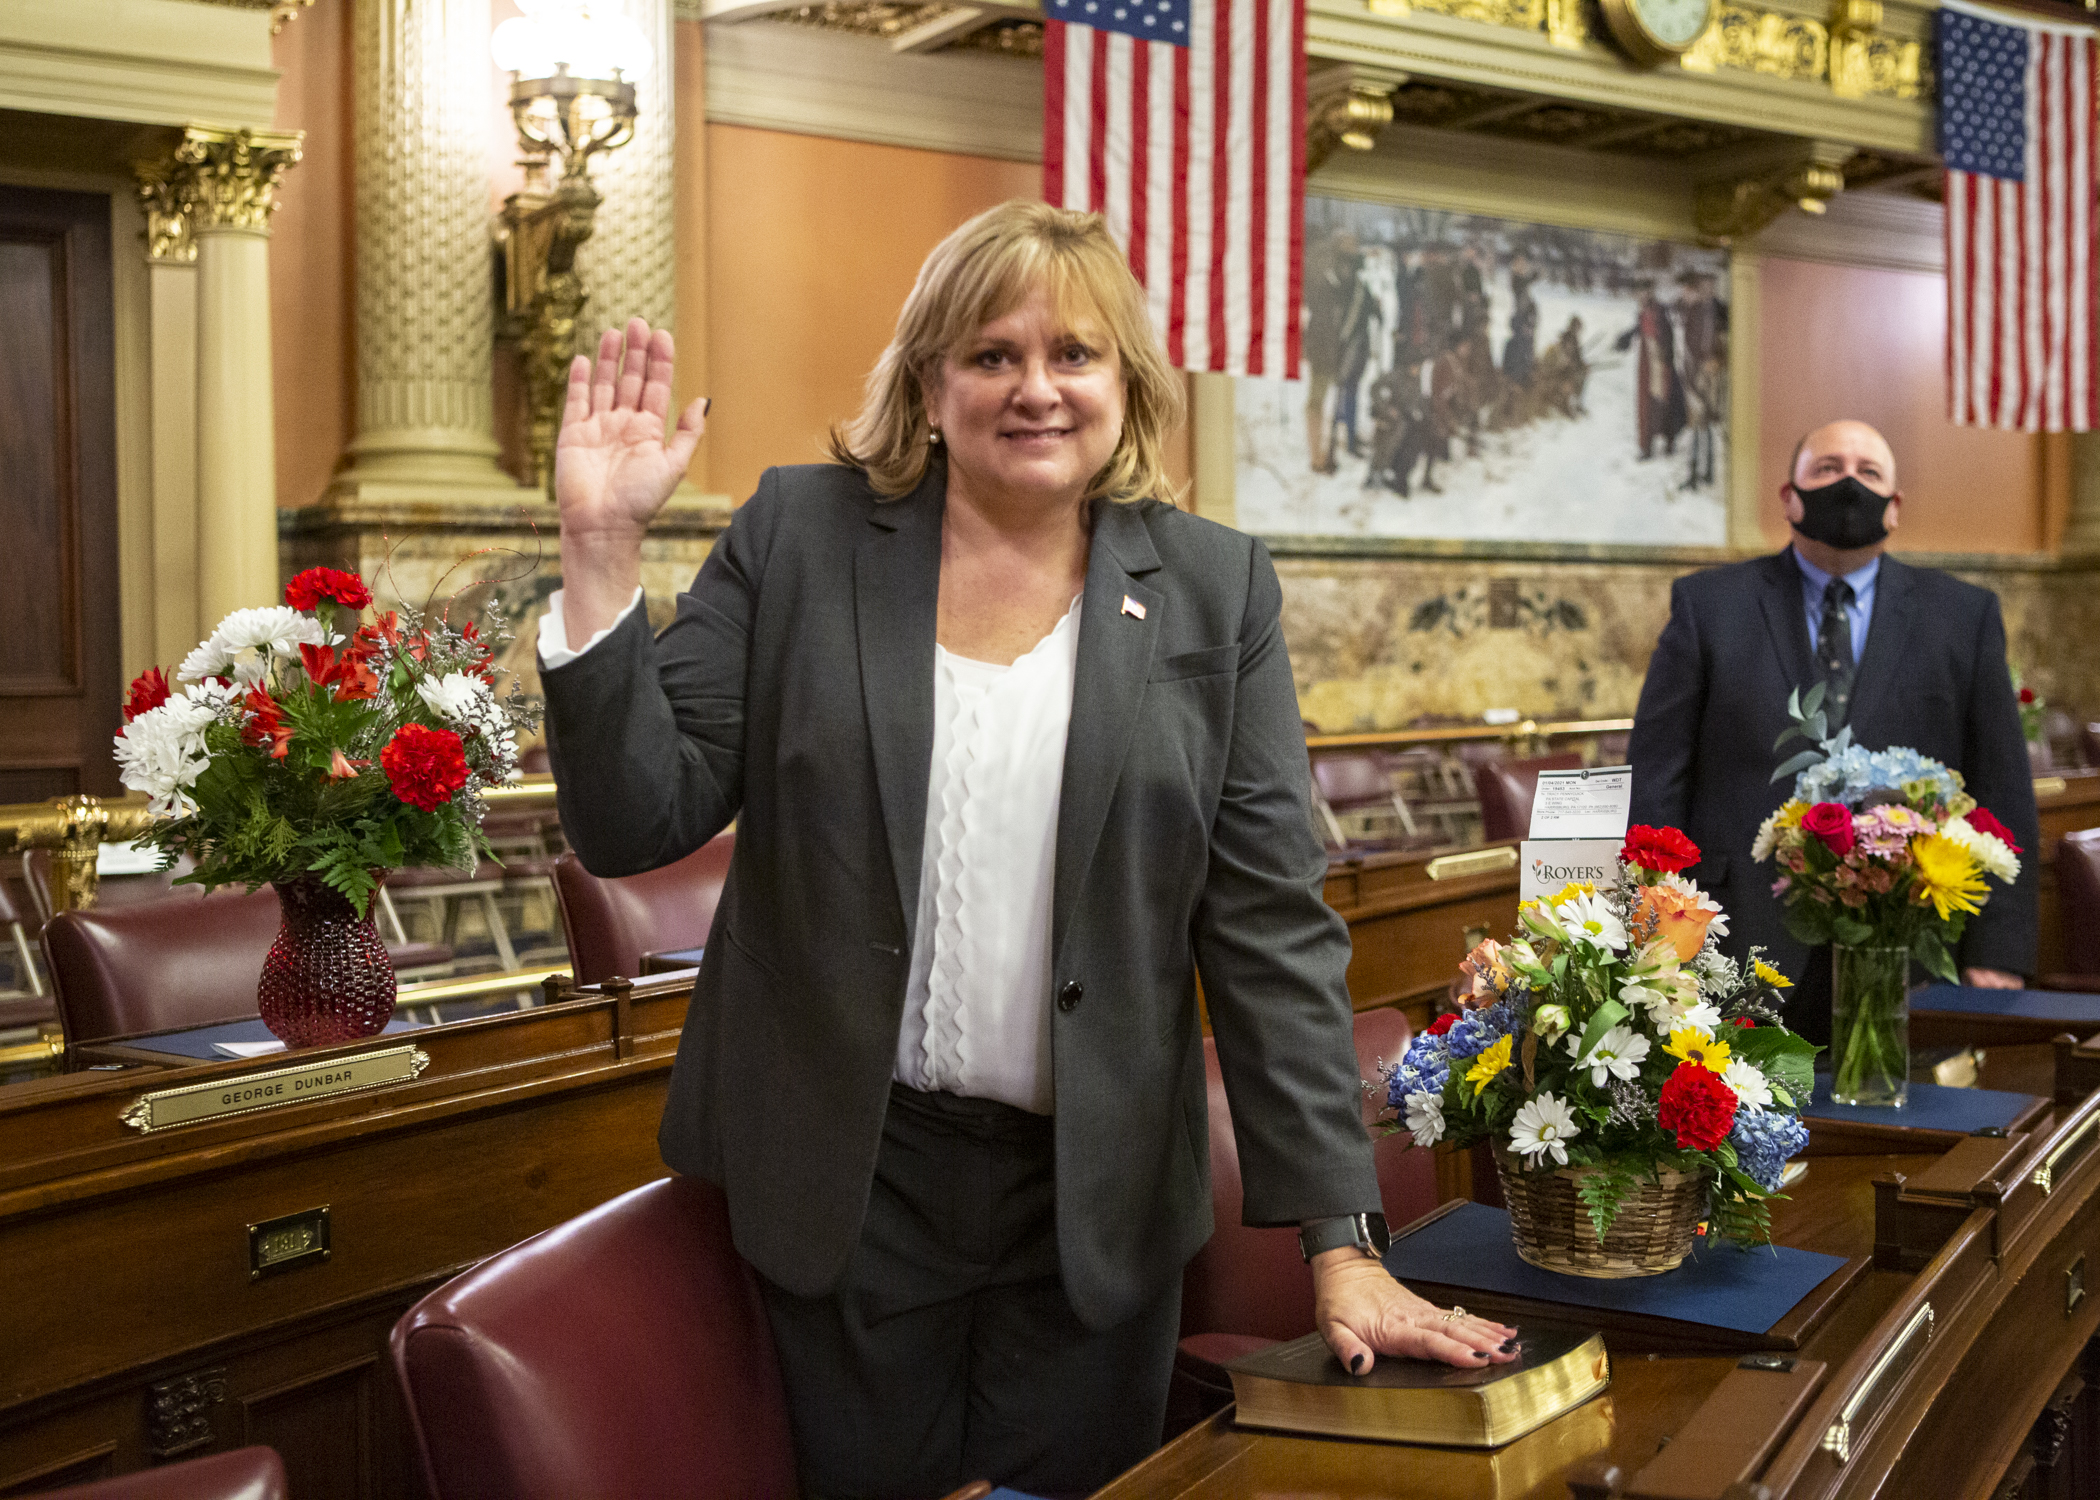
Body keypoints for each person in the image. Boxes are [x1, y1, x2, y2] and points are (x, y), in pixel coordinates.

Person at [536, 201, 1515, 1500]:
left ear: (1128, 385)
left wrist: (1341, 1242)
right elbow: (633, 818)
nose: (1035, 387)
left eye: (1076, 354)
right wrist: (601, 553)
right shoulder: (802, 536)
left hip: (1094, 1206)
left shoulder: (1217, 590)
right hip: (847, 1185)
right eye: (992, 354)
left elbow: (1270, 928)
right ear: (931, 382)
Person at [1628, 419, 2040, 1046]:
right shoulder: (1709, 606)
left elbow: (2002, 787)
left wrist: (2001, 949)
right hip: (1732, 940)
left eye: (1869, 473)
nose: (1849, 483)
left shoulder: (1963, 616)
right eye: (1827, 468)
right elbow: (1658, 777)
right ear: (1788, 495)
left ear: (1895, 508)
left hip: (1910, 941)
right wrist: (1655, 922)